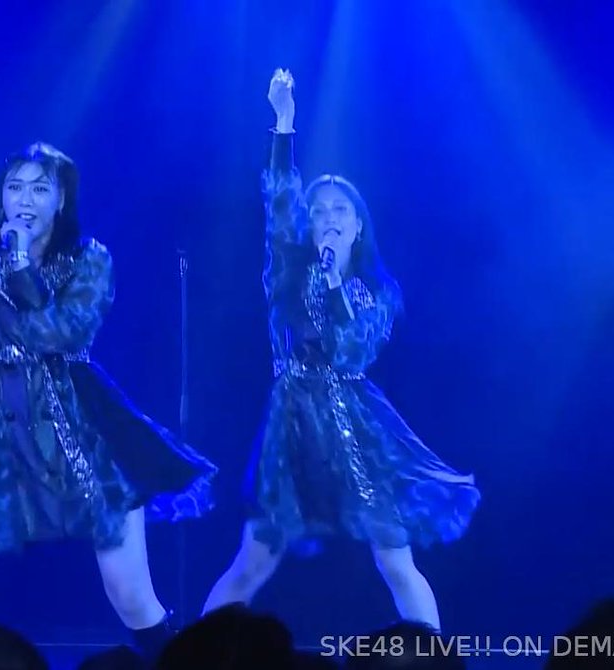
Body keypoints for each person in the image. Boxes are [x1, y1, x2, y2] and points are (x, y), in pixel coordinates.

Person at [0, 16, 218, 667]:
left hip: (87, 435)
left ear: (61, 201)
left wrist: (20, 268)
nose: (25, 199)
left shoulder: (90, 260)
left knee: (130, 594)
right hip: (6, 438)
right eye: (15, 188)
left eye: (41, 189)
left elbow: (60, 332)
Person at [201, 68, 480, 631]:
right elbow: (280, 199)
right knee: (253, 561)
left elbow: (351, 351)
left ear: (358, 226)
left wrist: (333, 285)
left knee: (395, 560)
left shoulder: (379, 291)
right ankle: (196, 656)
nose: (328, 219)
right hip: (292, 426)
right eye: (320, 212)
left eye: (340, 211)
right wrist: (284, 122)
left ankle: (434, 658)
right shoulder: (286, 271)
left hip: (357, 431)